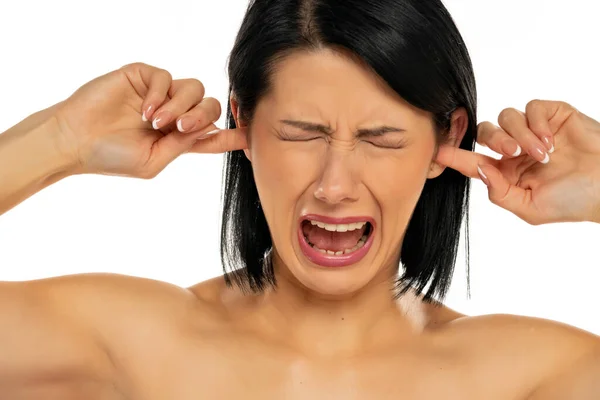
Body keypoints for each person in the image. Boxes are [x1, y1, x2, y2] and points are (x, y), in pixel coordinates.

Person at [1, 0, 599, 398]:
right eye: (300, 134)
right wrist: (61, 140)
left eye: (380, 139)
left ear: (447, 138)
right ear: (242, 121)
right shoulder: (132, 344)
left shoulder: (533, 377)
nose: (334, 185)